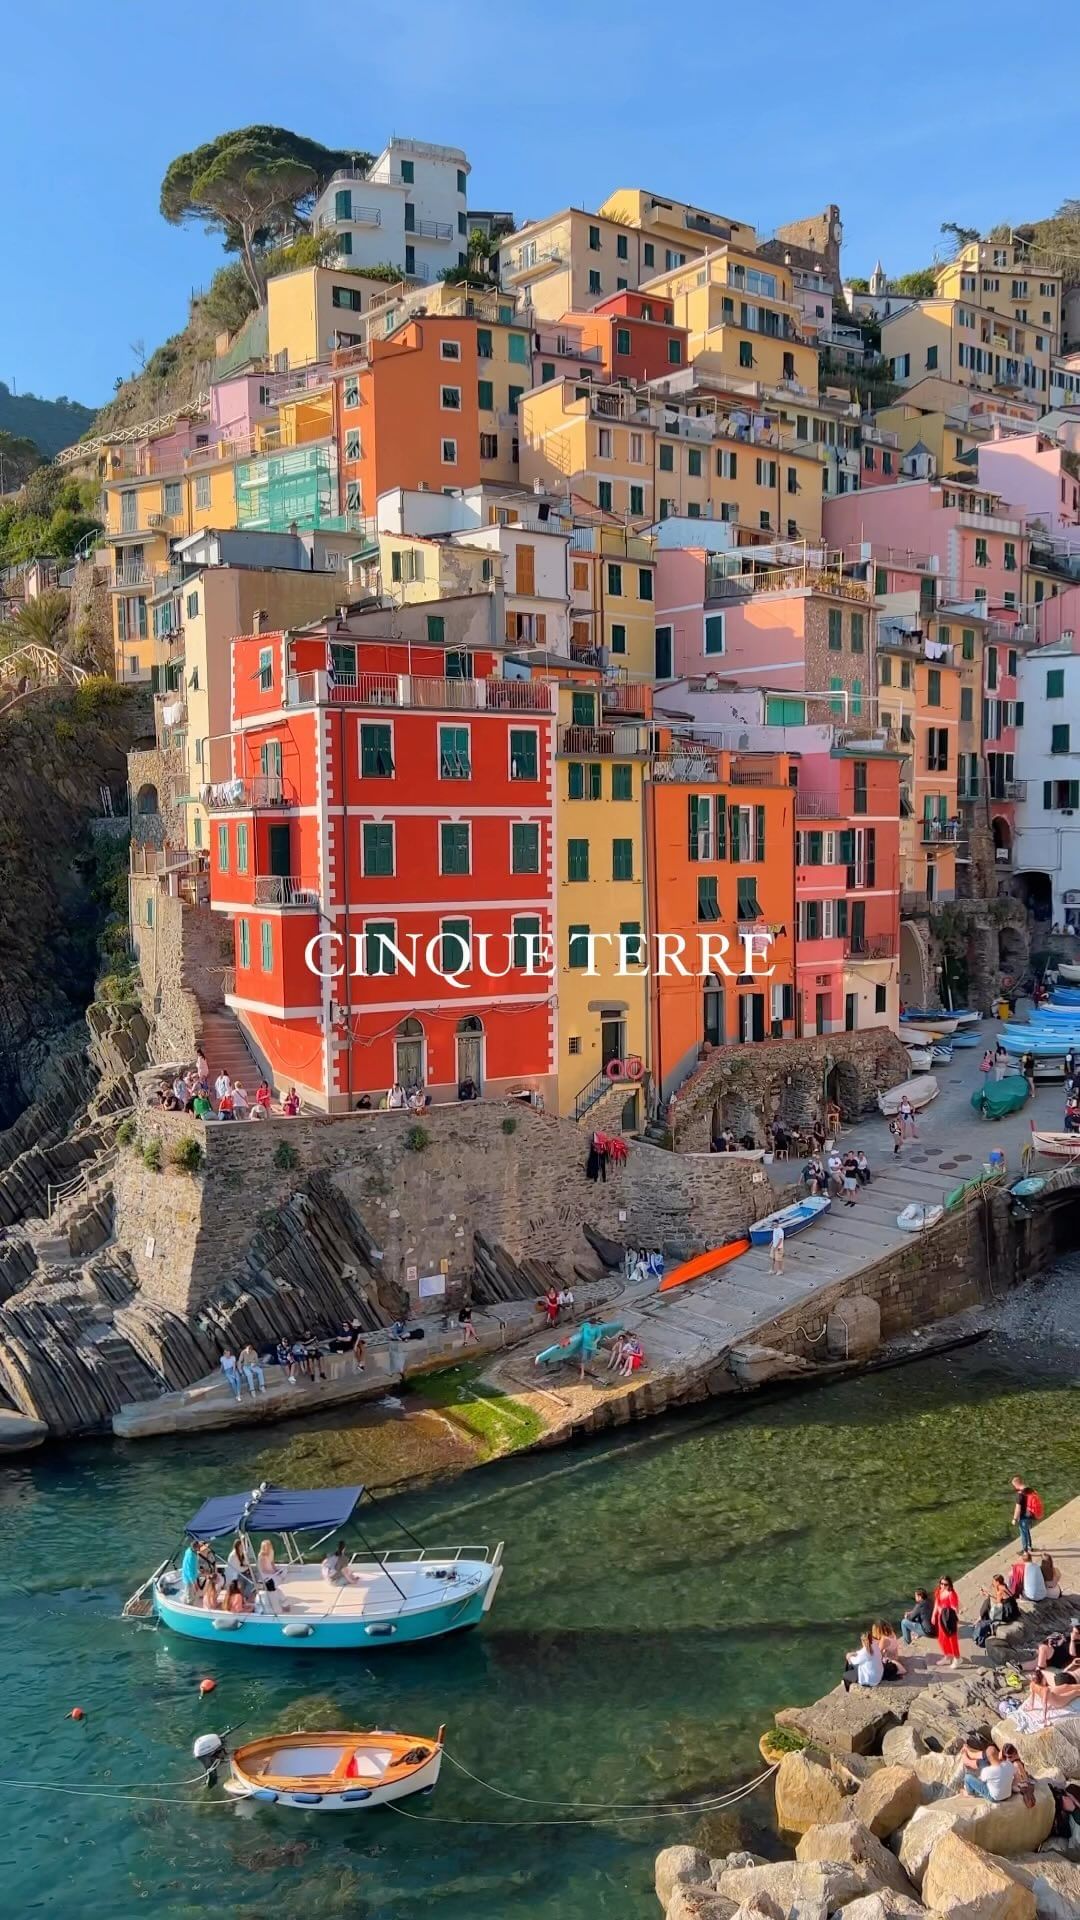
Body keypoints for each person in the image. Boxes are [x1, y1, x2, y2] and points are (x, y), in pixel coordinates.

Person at [974, 1574, 1020, 1649]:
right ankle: (982, 1617)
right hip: (1014, 1609)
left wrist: (988, 1595)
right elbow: (999, 1597)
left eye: (994, 1581)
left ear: (997, 1582)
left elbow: (998, 1602)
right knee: (988, 1601)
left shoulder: (1000, 1591)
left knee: (991, 1609)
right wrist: (988, 1594)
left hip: (1008, 1614)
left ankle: (984, 1620)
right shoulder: (1004, 1586)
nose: (992, 1583)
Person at [932, 1576, 962, 1668]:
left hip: (949, 1619)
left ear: (949, 1584)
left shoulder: (951, 1594)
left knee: (952, 1639)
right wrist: (934, 1615)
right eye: (941, 1583)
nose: (943, 1586)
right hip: (941, 1618)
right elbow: (937, 1603)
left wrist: (955, 1609)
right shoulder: (939, 1591)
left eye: (945, 1584)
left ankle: (957, 1658)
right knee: (942, 1639)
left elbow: (954, 1607)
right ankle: (947, 1655)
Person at [1000, 1742, 1037, 1810]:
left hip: (1018, 1784)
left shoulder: (1017, 1763)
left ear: (1015, 1754)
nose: (1007, 1759)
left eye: (1010, 1757)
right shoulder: (1007, 1760)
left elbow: (1024, 1779)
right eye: (1005, 1757)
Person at [1012, 1478, 1035, 1553]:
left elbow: (1018, 1508)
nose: (1015, 1487)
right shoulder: (1029, 1490)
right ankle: (1030, 1547)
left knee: (1023, 1532)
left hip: (1023, 1517)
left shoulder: (1020, 1495)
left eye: (1014, 1485)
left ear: (1017, 1484)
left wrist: (1014, 1519)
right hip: (1030, 1514)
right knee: (1027, 1530)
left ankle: (1025, 1550)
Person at [181, 1538, 202, 1605]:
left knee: (187, 1591)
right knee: (189, 1593)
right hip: (189, 1578)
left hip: (189, 1574)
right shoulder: (191, 1556)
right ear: (195, 1547)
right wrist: (194, 1583)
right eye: (198, 1547)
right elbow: (190, 1572)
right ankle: (189, 1605)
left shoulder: (189, 1550)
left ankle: (184, 1600)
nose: (199, 1548)